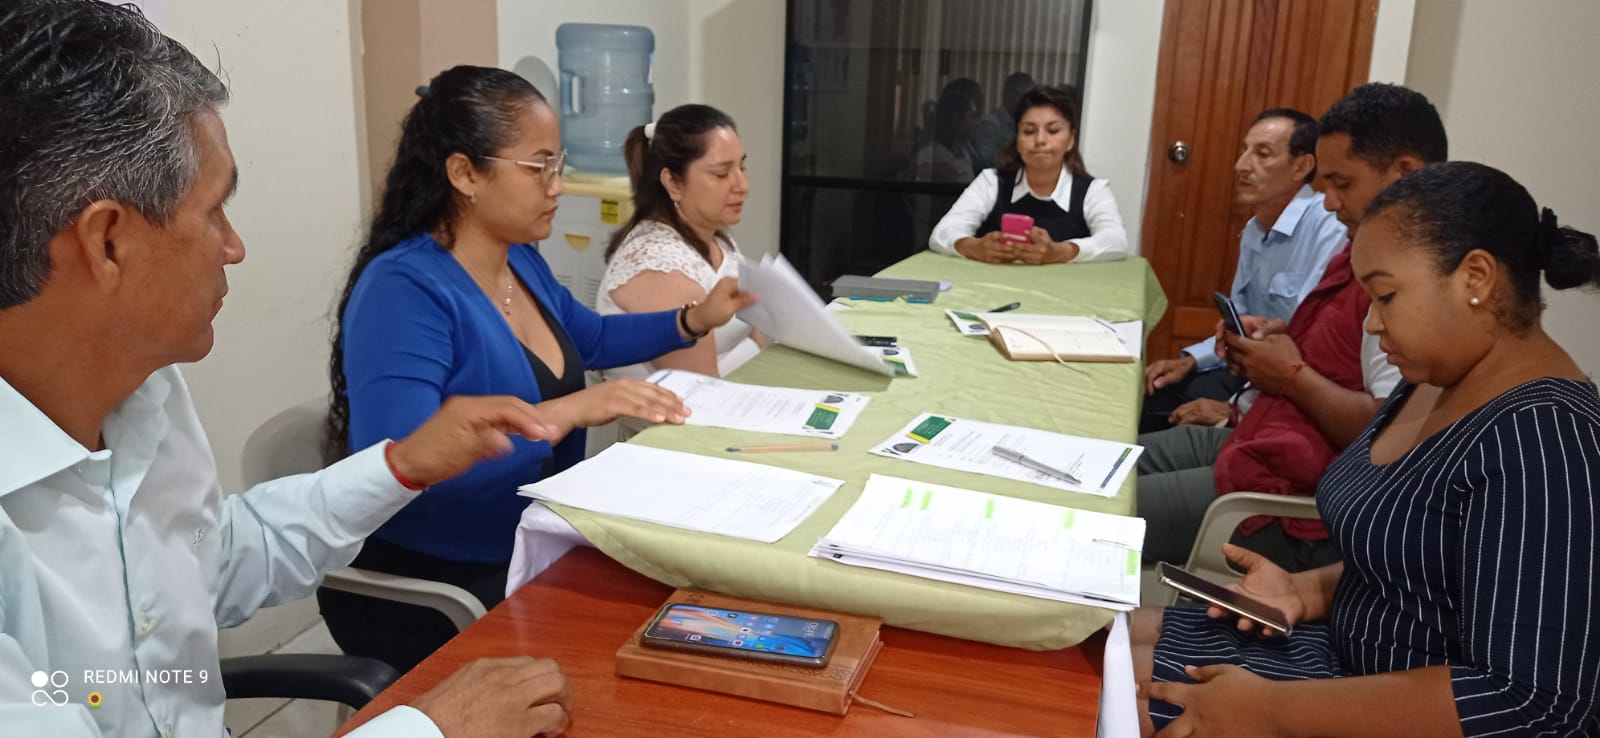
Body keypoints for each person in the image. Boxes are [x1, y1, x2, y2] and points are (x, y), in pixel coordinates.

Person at [0, 1, 573, 735]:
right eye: (214, 211)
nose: (233, 247)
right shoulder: (407, 279)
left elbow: (214, 554)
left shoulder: (143, 394)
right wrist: (430, 728)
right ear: (108, 242)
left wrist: (402, 466)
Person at [1135, 160, 1600, 737]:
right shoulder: (1435, 378)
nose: (1373, 325)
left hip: (1393, 709)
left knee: (1103, 697)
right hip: (1342, 657)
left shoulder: (1547, 440)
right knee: (1104, 641)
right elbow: (1415, 563)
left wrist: (1267, 712)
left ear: (1476, 277)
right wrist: (1306, 589)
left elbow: (1532, 703)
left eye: (1386, 296)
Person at [321, 67, 756, 672]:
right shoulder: (404, 289)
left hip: (535, 537)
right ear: (465, 174)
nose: (558, 186)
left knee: (711, 596)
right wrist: (567, 412)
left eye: (559, 165)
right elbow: (405, 462)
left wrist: (693, 319)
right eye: (539, 168)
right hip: (441, 576)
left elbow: (591, 337)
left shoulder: (519, 260)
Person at [1136, 84, 1441, 570]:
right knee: (1104, 467)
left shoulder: (1409, 283)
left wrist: (1291, 375)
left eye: (1342, 184)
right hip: (1258, 437)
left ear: (1403, 174)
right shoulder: (1357, 251)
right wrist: (1279, 340)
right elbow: (1338, 355)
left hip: (1286, 493)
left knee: (1100, 515)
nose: (1328, 202)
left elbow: (1386, 430)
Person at [1140, 109, 1346, 433]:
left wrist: (1234, 411)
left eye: (1262, 154)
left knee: (1159, 419)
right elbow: (1238, 323)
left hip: (1289, 392)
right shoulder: (1254, 230)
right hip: (1246, 373)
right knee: (1148, 394)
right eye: (1244, 150)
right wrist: (1191, 360)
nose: (1241, 166)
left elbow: (1311, 343)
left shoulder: (1329, 228)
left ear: (1302, 166)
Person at [597, 103, 764, 382]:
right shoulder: (657, 263)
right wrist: (756, 350)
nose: (742, 185)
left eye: (742, 167)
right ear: (673, 182)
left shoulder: (718, 241)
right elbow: (699, 389)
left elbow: (754, 333)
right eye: (721, 173)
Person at [930, 85, 1128, 265]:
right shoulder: (992, 181)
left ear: (1071, 140)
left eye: (1053, 130)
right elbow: (942, 233)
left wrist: (1062, 252)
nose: (1040, 140)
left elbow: (1116, 241)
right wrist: (975, 247)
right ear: (1017, 139)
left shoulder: (1093, 190)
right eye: (1029, 131)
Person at [907, 77, 985, 183]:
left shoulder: (965, 151)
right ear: (955, 117)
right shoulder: (932, 158)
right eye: (973, 116)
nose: (977, 122)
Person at [971, 72, 1036, 169]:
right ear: (1008, 95)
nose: (1030, 102)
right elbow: (984, 162)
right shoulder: (990, 125)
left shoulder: (1024, 123)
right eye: (1026, 97)